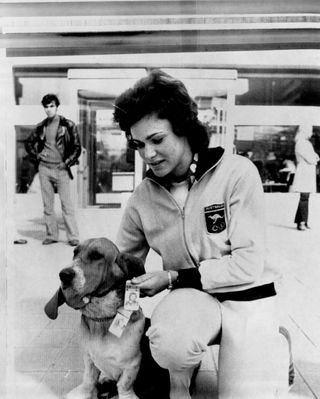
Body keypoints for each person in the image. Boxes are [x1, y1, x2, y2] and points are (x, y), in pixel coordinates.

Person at [113, 70, 291, 399]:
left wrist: (171, 278)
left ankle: (275, 343)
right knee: (170, 341)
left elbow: (247, 265)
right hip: (193, 301)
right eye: (139, 145)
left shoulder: (237, 173)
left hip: (249, 297)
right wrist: (114, 332)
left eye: (156, 140)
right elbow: (123, 271)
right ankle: (182, 378)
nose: (147, 155)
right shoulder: (142, 199)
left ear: (183, 129)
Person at [25, 94, 81, 246]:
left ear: (57, 107)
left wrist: (67, 162)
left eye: (51, 106)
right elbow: (29, 142)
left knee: (66, 204)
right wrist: (37, 156)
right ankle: (52, 235)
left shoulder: (68, 125)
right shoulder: (41, 126)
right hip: (44, 169)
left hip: (61, 169)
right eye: (46, 107)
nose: (49, 109)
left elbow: (77, 148)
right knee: (47, 205)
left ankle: (73, 236)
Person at [291, 126, 319, 231]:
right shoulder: (301, 143)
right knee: (304, 196)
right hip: (304, 172)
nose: (311, 133)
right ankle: (301, 222)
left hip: (307, 172)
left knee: (305, 197)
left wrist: (314, 157)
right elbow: (311, 158)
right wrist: (314, 158)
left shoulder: (306, 143)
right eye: (309, 131)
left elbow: (314, 156)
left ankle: (302, 221)